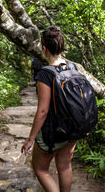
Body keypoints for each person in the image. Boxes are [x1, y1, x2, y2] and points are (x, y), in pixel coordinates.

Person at [21, 26, 76, 192]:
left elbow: (43, 111)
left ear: (44, 49)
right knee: (65, 166)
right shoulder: (73, 67)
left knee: (40, 169)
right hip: (72, 128)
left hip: (53, 131)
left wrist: (30, 139)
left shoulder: (46, 73)